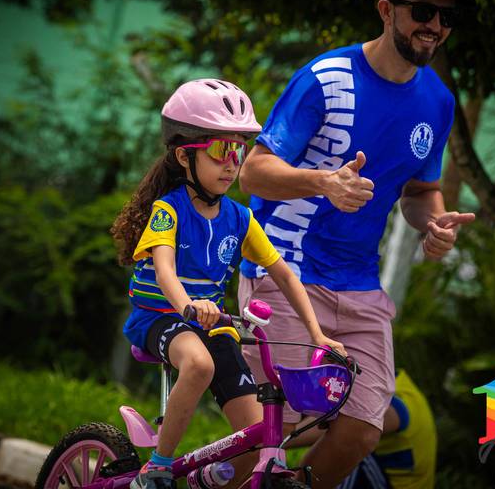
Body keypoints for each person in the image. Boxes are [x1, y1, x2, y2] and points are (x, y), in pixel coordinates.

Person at [237, 0, 476, 487]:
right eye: (423, 11)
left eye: (447, 17)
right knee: (284, 425)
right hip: (285, 269)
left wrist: (434, 221)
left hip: (360, 284)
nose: (435, 26)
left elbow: (420, 190)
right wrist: (323, 182)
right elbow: (252, 173)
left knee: (364, 427)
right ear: (386, 10)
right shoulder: (326, 79)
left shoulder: (438, 102)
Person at [111, 78, 345, 489]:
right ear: (184, 156)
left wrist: (317, 334)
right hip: (159, 317)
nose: (232, 163)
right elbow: (165, 271)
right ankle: (157, 467)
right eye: (221, 150)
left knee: (258, 437)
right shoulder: (168, 210)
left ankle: (204, 478)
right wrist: (189, 306)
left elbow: (284, 275)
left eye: (239, 151)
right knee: (199, 364)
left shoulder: (240, 218)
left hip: (211, 324)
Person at [337, 370, 437, 489]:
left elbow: (352, 423)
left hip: (393, 484)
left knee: (345, 448)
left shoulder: (398, 404)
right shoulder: (398, 382)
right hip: (384, 472)